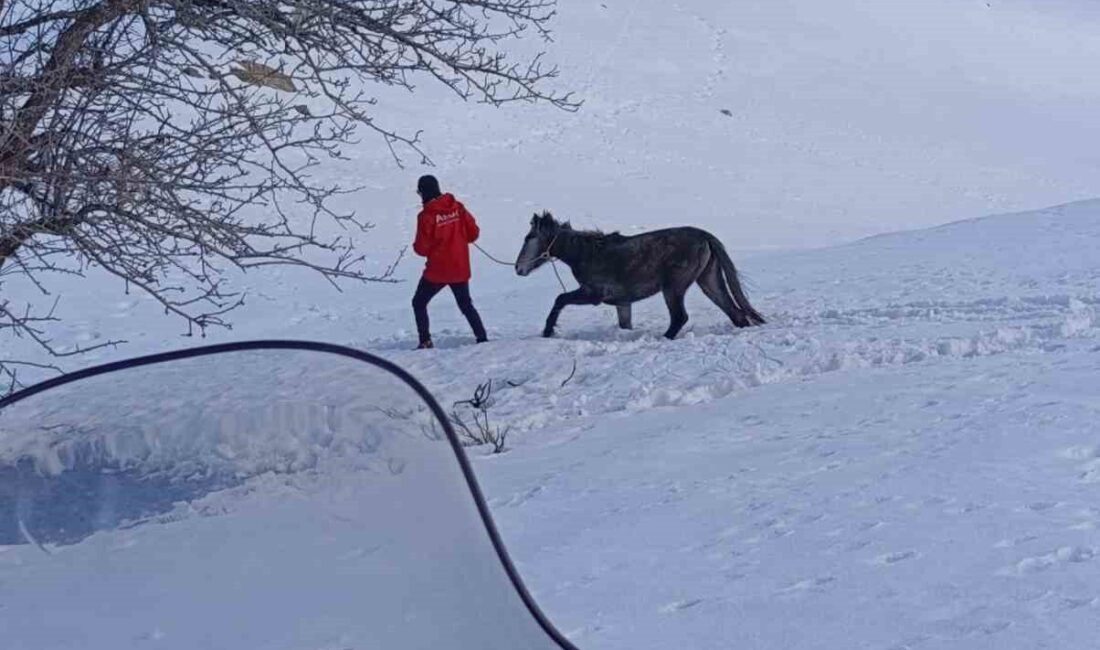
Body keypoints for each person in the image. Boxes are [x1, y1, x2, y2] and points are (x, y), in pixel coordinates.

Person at [411, 174, 488, 349]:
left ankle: (425, 341)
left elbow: (421, 249)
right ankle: (482, 338)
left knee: (419, 302)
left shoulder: (426, 216)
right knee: (466, 305)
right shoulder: (458, 207)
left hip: (437, 271)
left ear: (422, 192)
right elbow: (473, 233)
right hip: (460, 267)